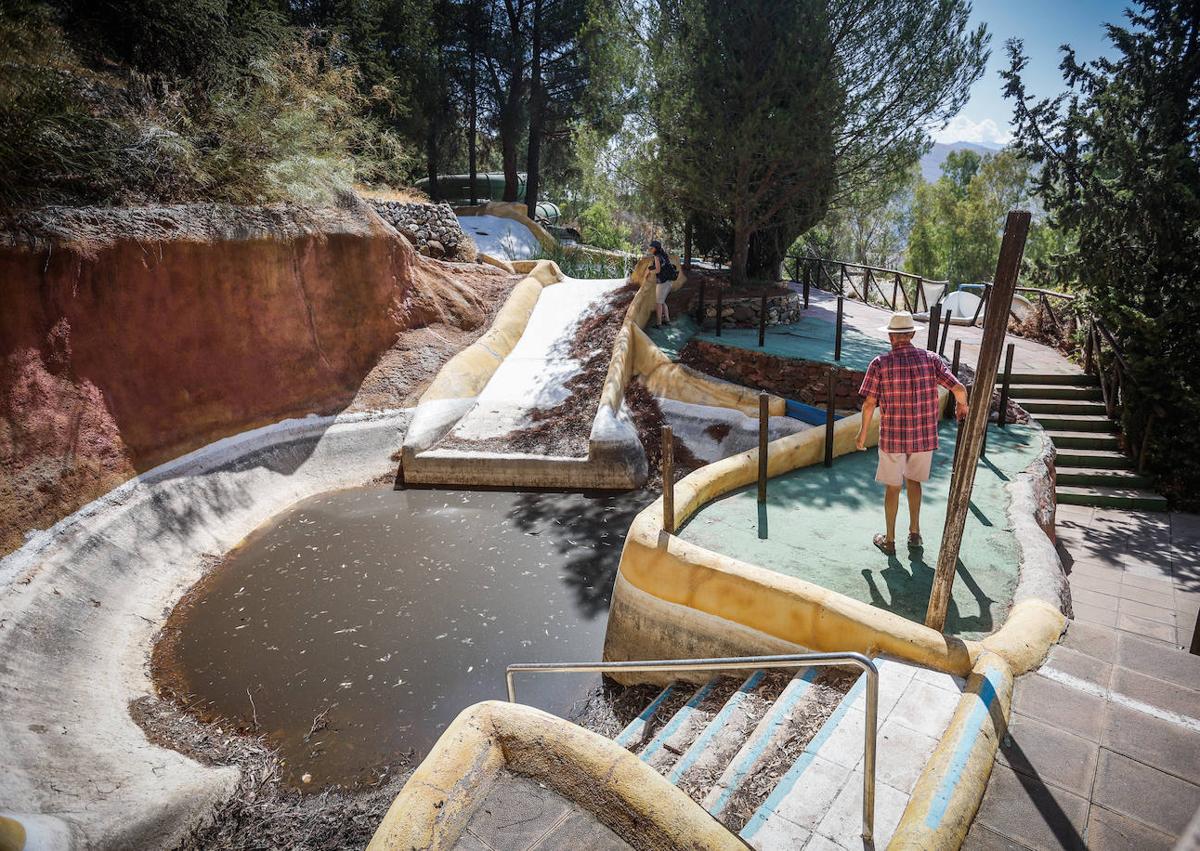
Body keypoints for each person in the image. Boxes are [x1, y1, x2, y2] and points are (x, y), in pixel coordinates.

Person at [855, 311, 969, 555]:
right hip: (923, 437)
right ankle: (915, 533)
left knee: (893, 487)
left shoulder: (879, 364)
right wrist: (962, 406)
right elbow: (959, 389)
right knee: (914, 482)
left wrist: (862, 434)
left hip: (893, 438)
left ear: (890, 338)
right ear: (913, 334)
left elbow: (868, 404)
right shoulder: (931, 360)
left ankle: (890, 540)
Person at [647, 240, 678, 327]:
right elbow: (662, 266)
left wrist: (649, 272)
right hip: (669, 281)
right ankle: (667, 320)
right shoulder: (664, 255)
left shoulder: (657, 257)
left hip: (663, 282)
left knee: (659, 303)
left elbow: (658, 270)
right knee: (662, 301)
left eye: (652, 248)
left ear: (656, 248)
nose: (650, 249)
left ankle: (659, 323)